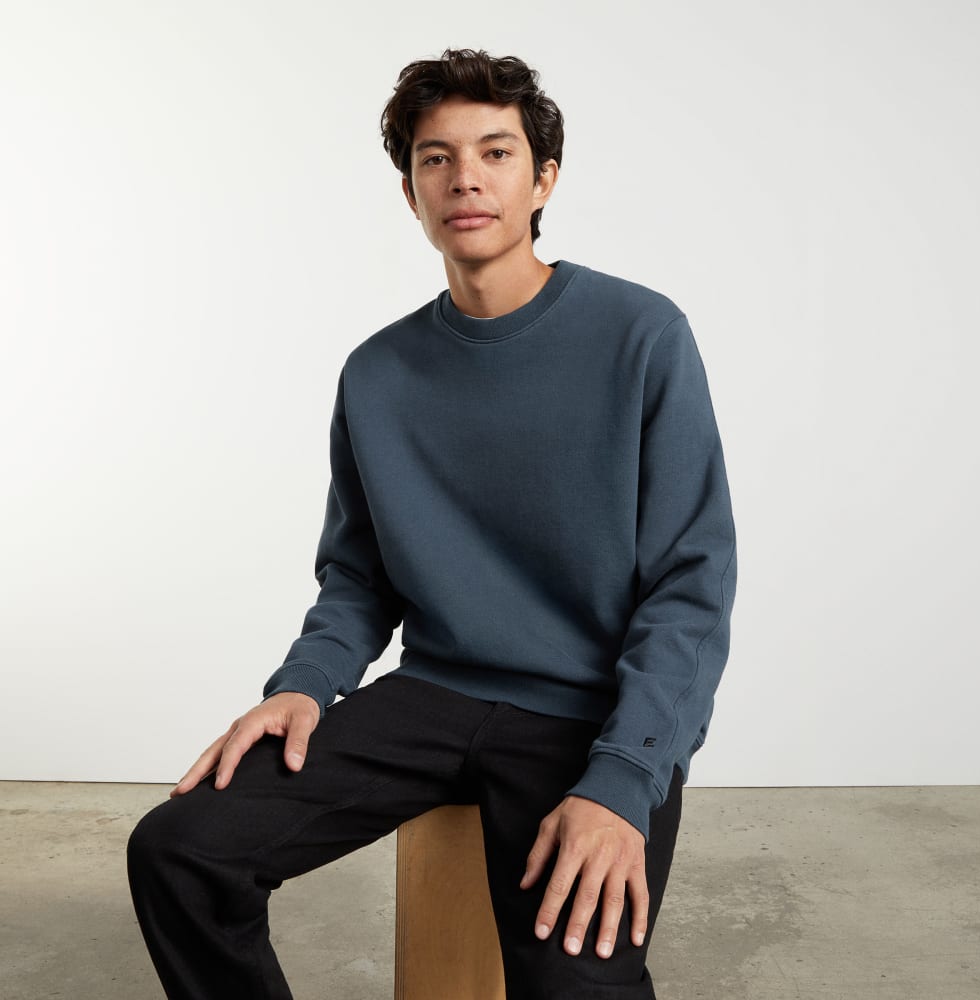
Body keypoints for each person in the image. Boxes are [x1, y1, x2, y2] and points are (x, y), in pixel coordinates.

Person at [127, 48, 737, 1000]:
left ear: (544, 179)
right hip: (433, 697)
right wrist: (305, 684)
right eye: (435, 158)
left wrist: (625, 776)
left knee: (576, 983)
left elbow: (691, 585)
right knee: (181, 848)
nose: (465, 179)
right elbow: (358, 577)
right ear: (410, 193)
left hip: (589, 713)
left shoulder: (643, 335)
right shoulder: (377, 373)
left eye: (495, 153)